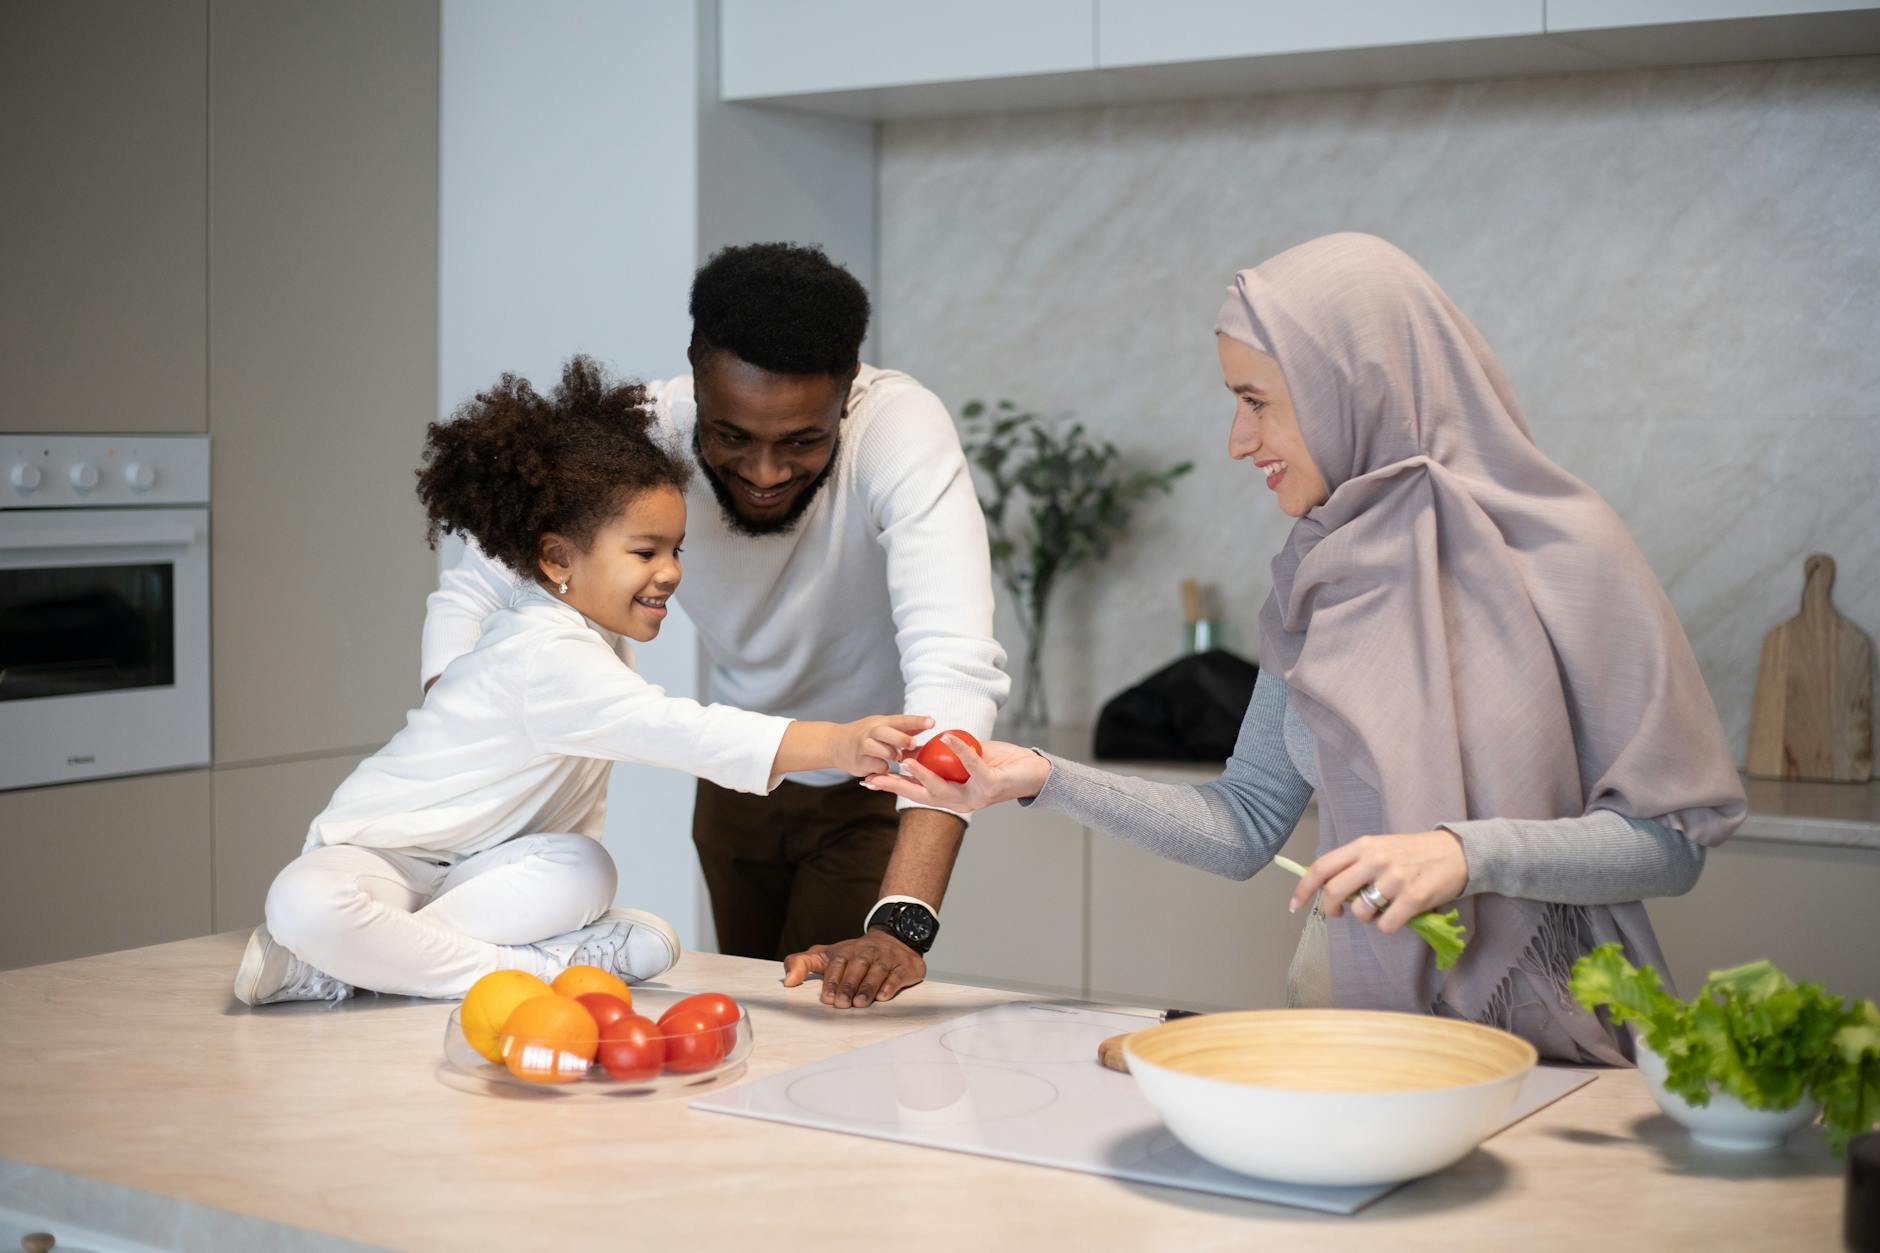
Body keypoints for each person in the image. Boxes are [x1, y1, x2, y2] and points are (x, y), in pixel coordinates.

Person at [867, 233, 1747, 1061]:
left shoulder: (1568, 552)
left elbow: (1672, 842)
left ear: (1351, 388)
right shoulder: (1316, 575)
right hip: (1354, 1027)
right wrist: (1039, 776)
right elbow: (1245, 821)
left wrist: (1465, 853)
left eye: (1256, 401)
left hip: (1551, 1037)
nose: (1237, 441)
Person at [422, 244, 1009, 1011]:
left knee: (828, 1021)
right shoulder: (647, 431)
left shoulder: (898, 427)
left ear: (847, 392)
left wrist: (903, 921)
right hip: (737, 777)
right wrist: (451, 740)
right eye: (731, 436)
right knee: (752, 1011)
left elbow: (954, 664)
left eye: (802, 441)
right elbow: (477, 581)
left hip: (877, 780)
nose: (765, 473)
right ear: (695, 376)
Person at [234, 357, 926, 1006]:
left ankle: (345, 967)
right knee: (303, 901)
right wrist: (836, 743)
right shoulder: (546, 652)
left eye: (676, 550)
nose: (671, 572)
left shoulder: (589, 636)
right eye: (645, 551)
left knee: (583, 867)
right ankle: (547, 970)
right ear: (558, 558)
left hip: (482, 871)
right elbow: (678, 730)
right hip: (385, 859)